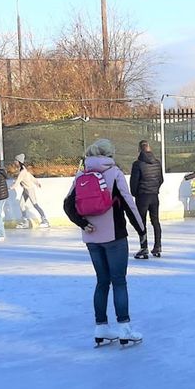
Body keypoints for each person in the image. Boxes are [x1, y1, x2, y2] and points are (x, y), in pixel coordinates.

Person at [63, 138, 146, 345]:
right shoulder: (115, 173)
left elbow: (67, 204)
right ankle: (124, 328)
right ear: (110, 154)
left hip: (92, 238)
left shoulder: (81, 174)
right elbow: (128, 203)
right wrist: (142, 230)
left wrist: (82, 223)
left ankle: (101, 328)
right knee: (119, 281)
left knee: (102, 281)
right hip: (115, 236)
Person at [129, 139, 164, 259]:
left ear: (139, 150)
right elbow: (161, 179)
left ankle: (144, 248)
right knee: (155, 221)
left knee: (141, 222)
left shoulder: (137, 164)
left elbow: (134, 182)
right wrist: (155, 189)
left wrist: (135, 194)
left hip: (142, 197)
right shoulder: (157, 163)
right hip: (154, 196)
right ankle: (158, 246)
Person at [14, 153, 50, 229]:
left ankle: (45, 220)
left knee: (35, 204)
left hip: (30, 189)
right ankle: (25, 221)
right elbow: (31, 177)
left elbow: (18, 181)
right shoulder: (23, 169)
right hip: (25, 189)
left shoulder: (23, 171)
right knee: (21, 204)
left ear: (19, 162)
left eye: (16, 160)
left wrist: (11, 187)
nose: (15, 162)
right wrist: (36, 182)